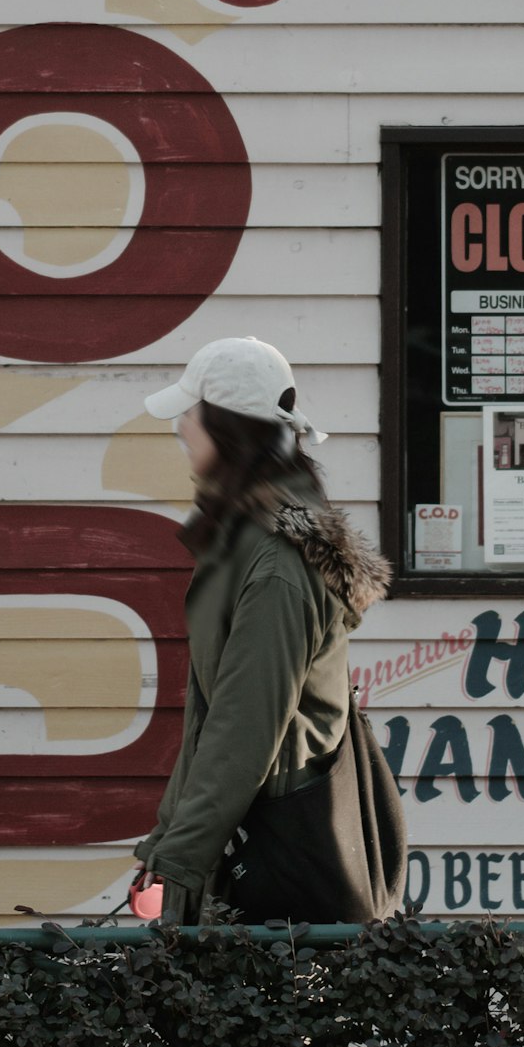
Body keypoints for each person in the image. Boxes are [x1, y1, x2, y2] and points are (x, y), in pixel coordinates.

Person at [127, 336, 396, 926]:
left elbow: (244, 729)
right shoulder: (248, 539)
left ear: (227, 430)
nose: (179, 429)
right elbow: (214, 718)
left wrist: (181, 858)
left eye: (189, 412)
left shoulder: (274, 562)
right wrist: (167, 841)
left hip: (269, 871)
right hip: (250, 843)